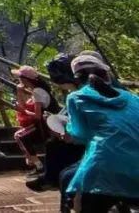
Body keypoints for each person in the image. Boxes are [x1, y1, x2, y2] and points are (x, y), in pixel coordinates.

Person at [59, 51, 139, 213]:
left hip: (103, 167)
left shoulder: (75, 98)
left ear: (76, 78)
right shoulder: (131, 97)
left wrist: (67, 134)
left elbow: (80, 135)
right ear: (106, 74)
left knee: (75, 189)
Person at [26, 53, 85, 193]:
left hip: (91, 141)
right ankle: (50, 178)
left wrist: (66, 132)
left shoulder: (78, 95)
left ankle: (51, 179)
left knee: (55, 144)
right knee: (54, 143)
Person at [10, 65, 58, 174]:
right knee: (21, 135)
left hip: (46, 124)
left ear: (25, 79)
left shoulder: (37, 92)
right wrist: (20, 92)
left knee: (20, 136)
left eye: (20, 78)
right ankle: (34, 162)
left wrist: (22, 110)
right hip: (49, 121)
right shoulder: (39, 90)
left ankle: (36, 164)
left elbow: (37, 116)